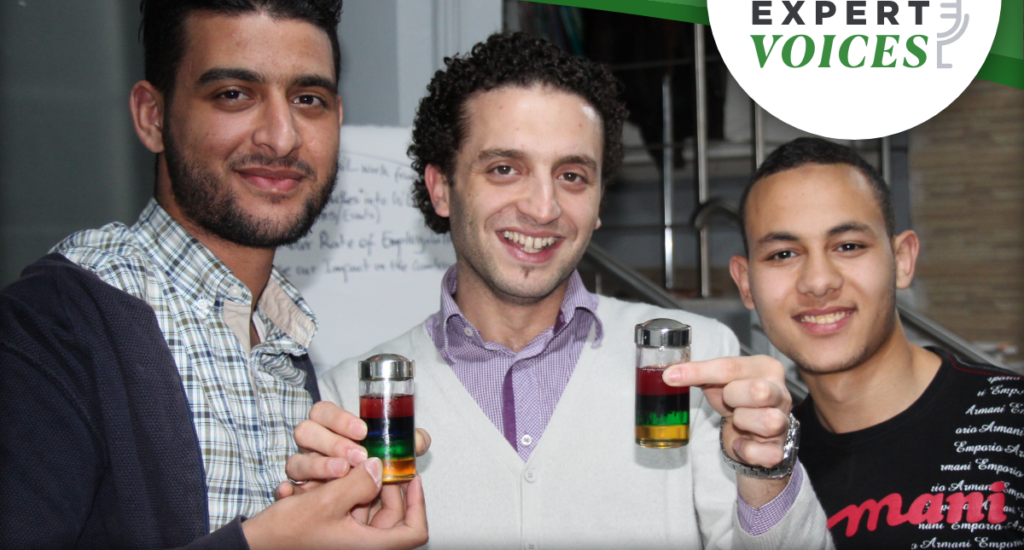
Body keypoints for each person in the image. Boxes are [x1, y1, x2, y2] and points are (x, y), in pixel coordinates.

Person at [286, 32, 832, 549]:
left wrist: (769, 473)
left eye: (572, 176)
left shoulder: (696, 362)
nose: (543, 208)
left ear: (597, 204)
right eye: (504, 168)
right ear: (442, 189)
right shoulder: (354, 404)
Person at [0, 0, 427, 550]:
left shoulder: (285, 346)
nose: (281, 137)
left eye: (308, 100)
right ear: (152, 117)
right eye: (233, 94)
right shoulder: (51, 326)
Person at [729, 137, 1024, 548]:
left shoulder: (1012, 421)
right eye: (783, 254)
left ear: (902, 260)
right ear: (745, 283)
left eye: (848, 246)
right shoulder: (760, 471)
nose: (818, 282)